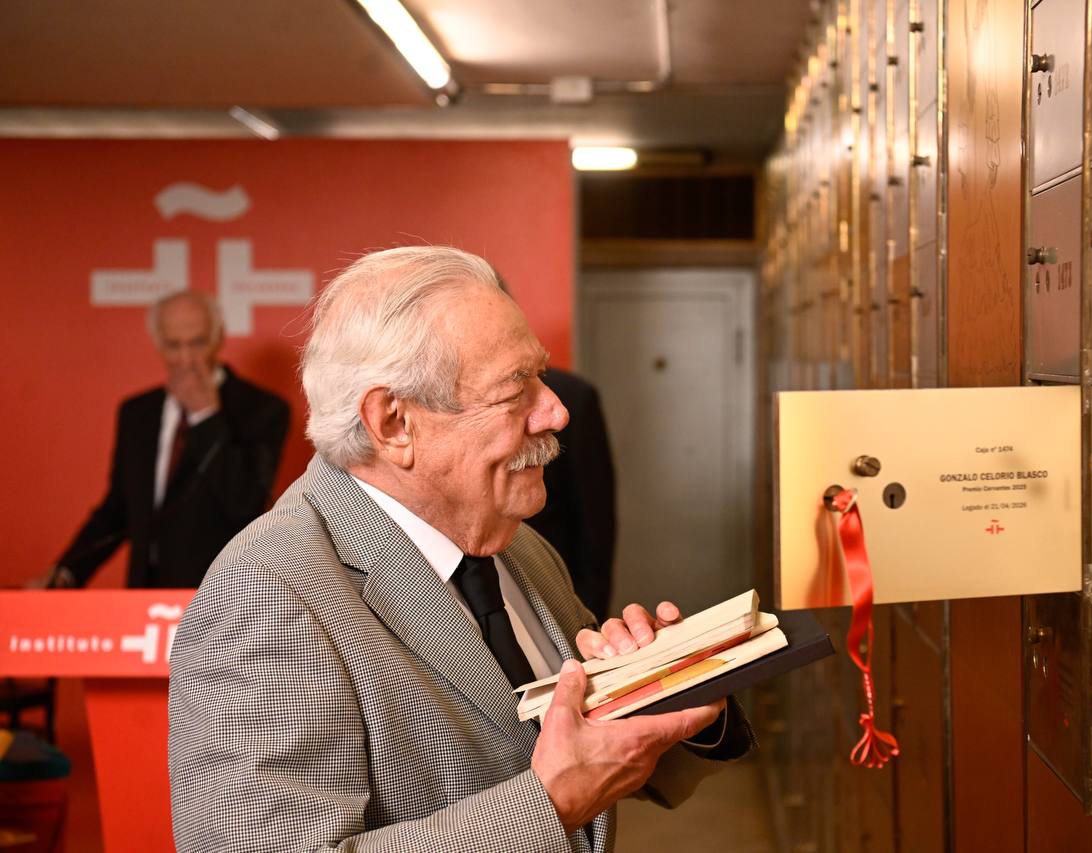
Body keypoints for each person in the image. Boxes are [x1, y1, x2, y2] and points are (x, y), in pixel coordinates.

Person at [167, 246, 753, 852]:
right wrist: (552, 804)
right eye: (515, 389)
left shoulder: (517, 545)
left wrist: (668, 687)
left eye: (542, 377)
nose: (555, 412)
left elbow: (582, 751)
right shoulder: (265, 591)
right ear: (393, 423)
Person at [42, 291, 289, 589]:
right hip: (145, 596)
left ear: (219, 338)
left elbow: (245, 503)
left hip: (224, 594)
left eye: (197, 343)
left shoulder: (262, 409)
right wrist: (67, 571)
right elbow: (120, 509)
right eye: (174, 345)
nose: (186, 359)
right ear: (158, 344)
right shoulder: (137, 413)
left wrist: (205, 416)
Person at [526, 367, 617, 621]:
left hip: (562, 593)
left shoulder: (574, 395)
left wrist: (591, 620)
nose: (558, 416)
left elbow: (595, 522)